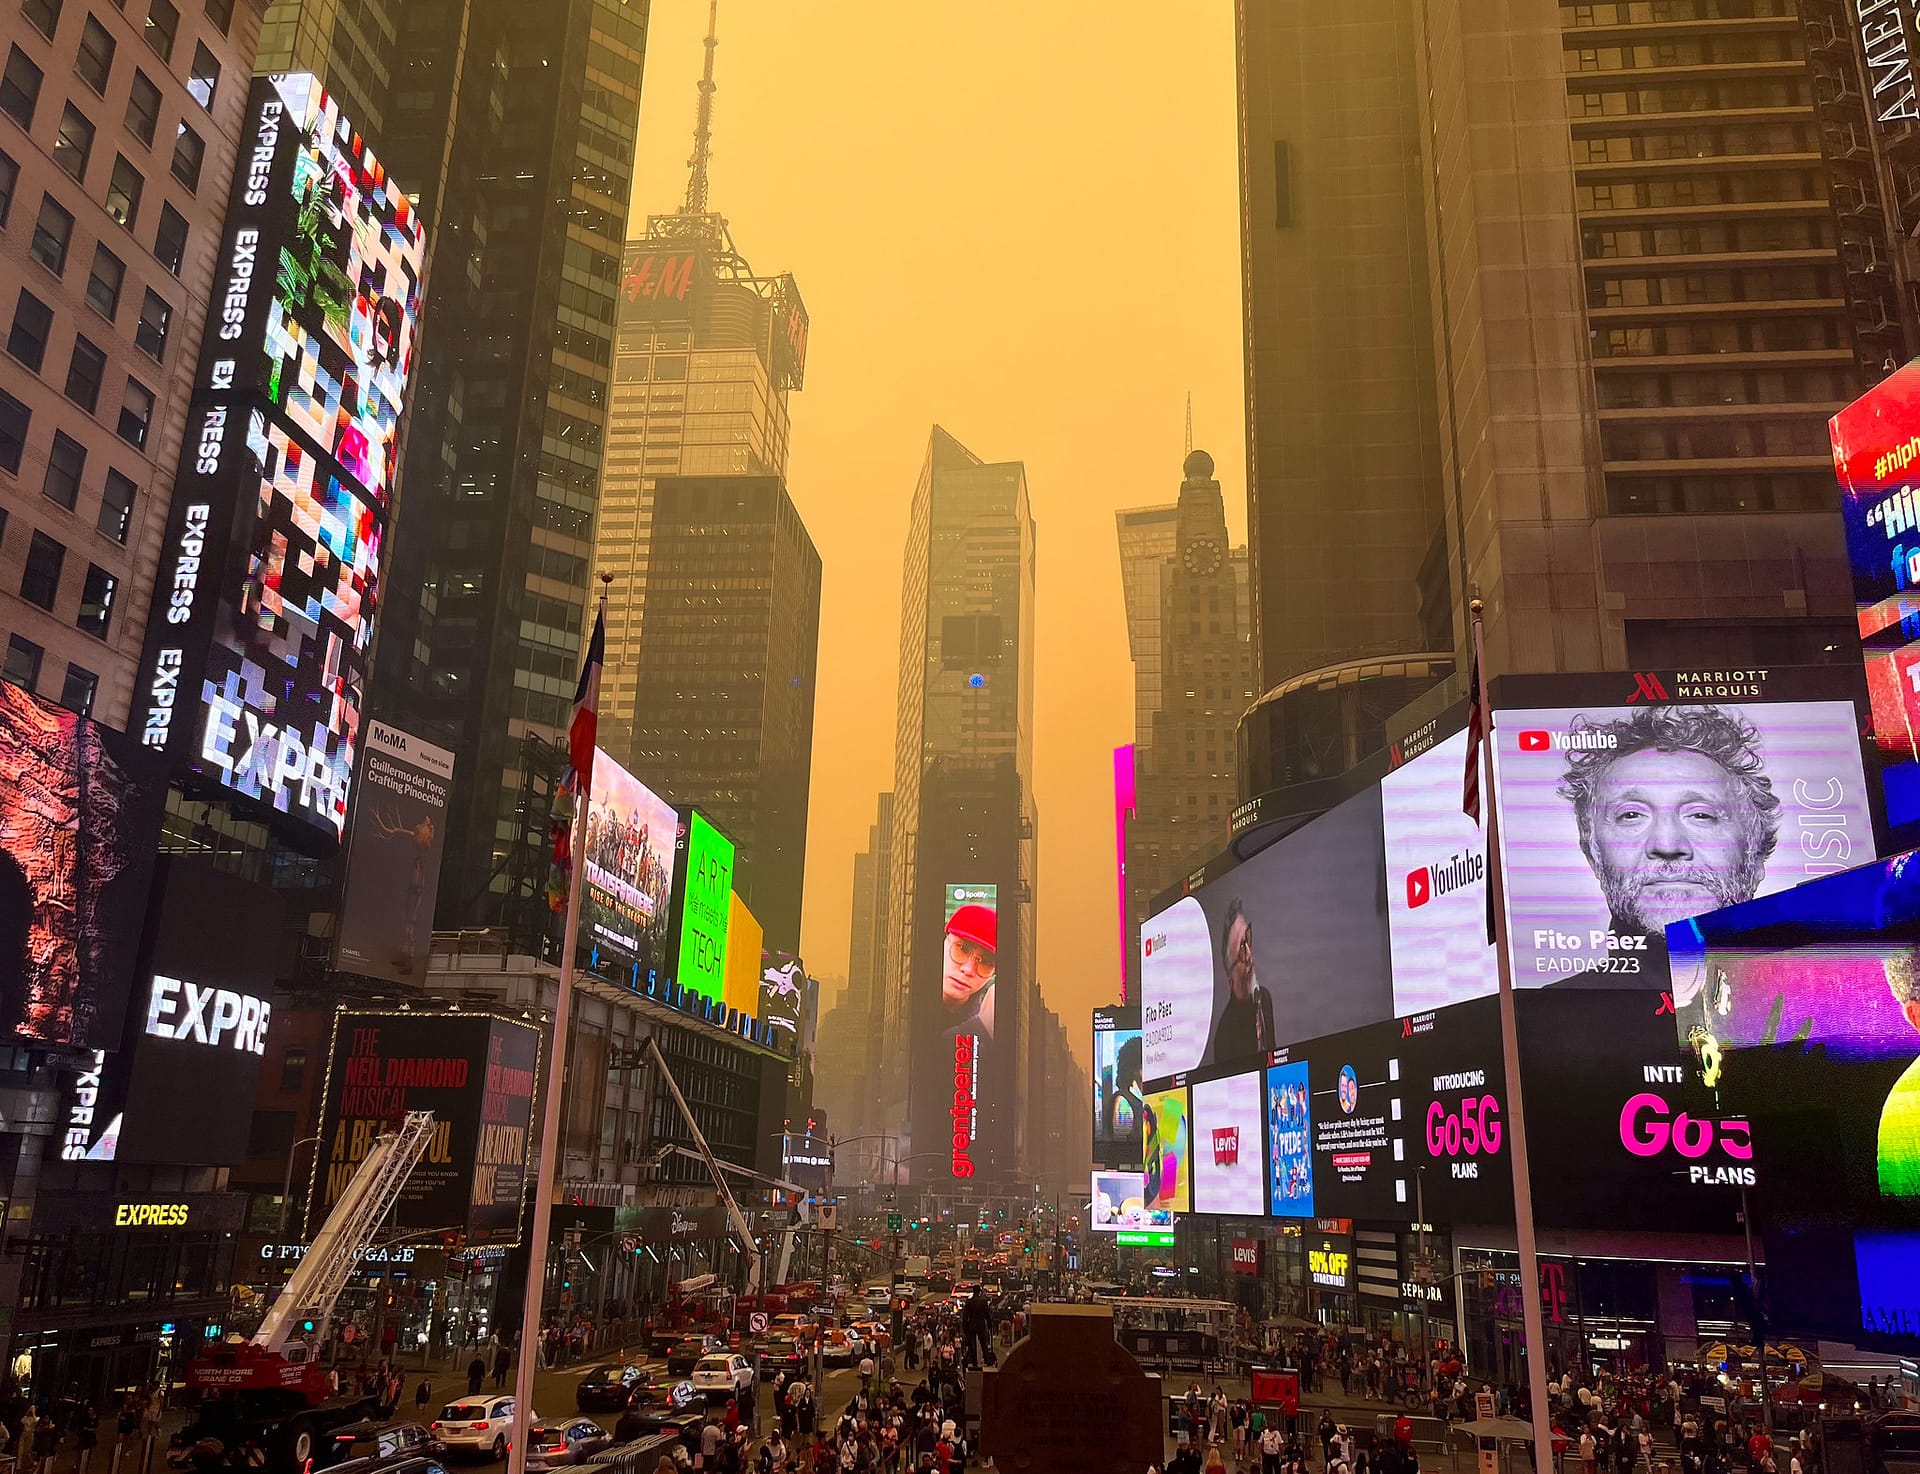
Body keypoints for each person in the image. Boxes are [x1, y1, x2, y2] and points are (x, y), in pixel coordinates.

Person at [1556, 705, 1781, 963]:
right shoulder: (1529, 1004)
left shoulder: (1826, 998)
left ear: (1757, 856)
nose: (1667, 844)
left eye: (1701, 815)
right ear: (1594, 857)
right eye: (1631, 815)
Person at [1208, 898, 1275, 1064]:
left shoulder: (1264, 999)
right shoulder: (1224, 1036)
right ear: (1231, 981)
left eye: (1248, 938)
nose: (1249, 956)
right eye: (1241, 953)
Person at [940, 904, 997, 1040]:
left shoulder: (990, 1023)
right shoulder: (901, 1004)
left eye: (986, 962)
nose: (968, 970)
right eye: (962, 949)